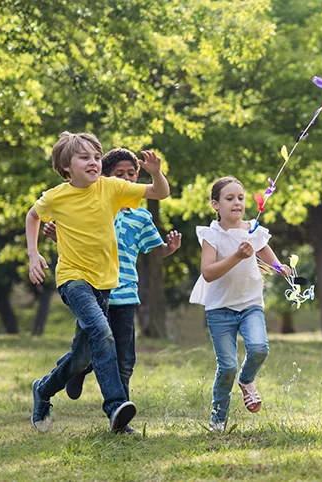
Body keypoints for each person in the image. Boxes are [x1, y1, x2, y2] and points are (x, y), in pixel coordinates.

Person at [26, 132, 170, 433]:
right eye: (84, 157)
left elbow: (159, 193)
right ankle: (116, 406)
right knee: (104, 334)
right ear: (67, 167)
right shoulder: (56, 196)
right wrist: (34, 254)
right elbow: (33, 216)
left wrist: (156, 173)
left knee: (82, 358)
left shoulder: (112, 187)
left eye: (95, 156)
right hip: (73, 279)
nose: (93, 162)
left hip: (105, 283)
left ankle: (43, 389)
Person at [190, 176, 284, 432]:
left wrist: (279, 267)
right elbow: (208, 273)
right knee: (227, 365)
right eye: (229, 198)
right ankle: (218, 418)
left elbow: (263, 248)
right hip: (220, 309)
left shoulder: (252, 229)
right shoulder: (212, 235)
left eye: (240, 198)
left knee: (259, 348)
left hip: (250, 303)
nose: (237, 203)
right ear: (215, 204)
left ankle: (246, 380)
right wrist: (237, 256)